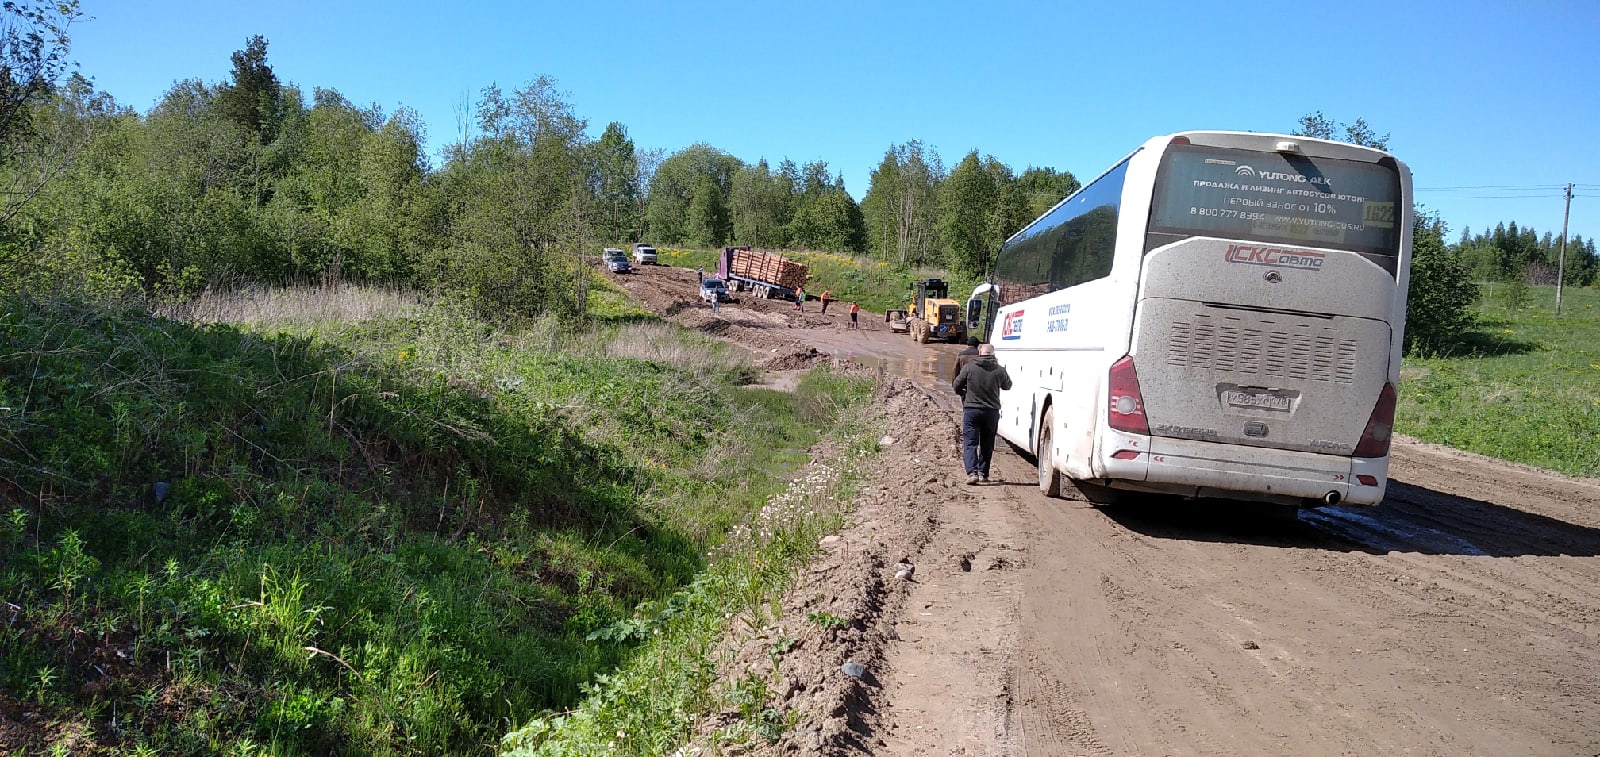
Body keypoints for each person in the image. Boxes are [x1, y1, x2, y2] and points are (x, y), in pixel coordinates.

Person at [952, 344, 1012, 485]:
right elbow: (1007, 385)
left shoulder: (969, 367)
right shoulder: (999, 369)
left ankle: (972, 473)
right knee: (987, 443)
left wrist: (965, 394)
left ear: (980, 352)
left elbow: (956, 385)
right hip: (991, 412)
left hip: (972, 410)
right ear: (992, 354)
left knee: (970, 442)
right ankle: (983, 474)